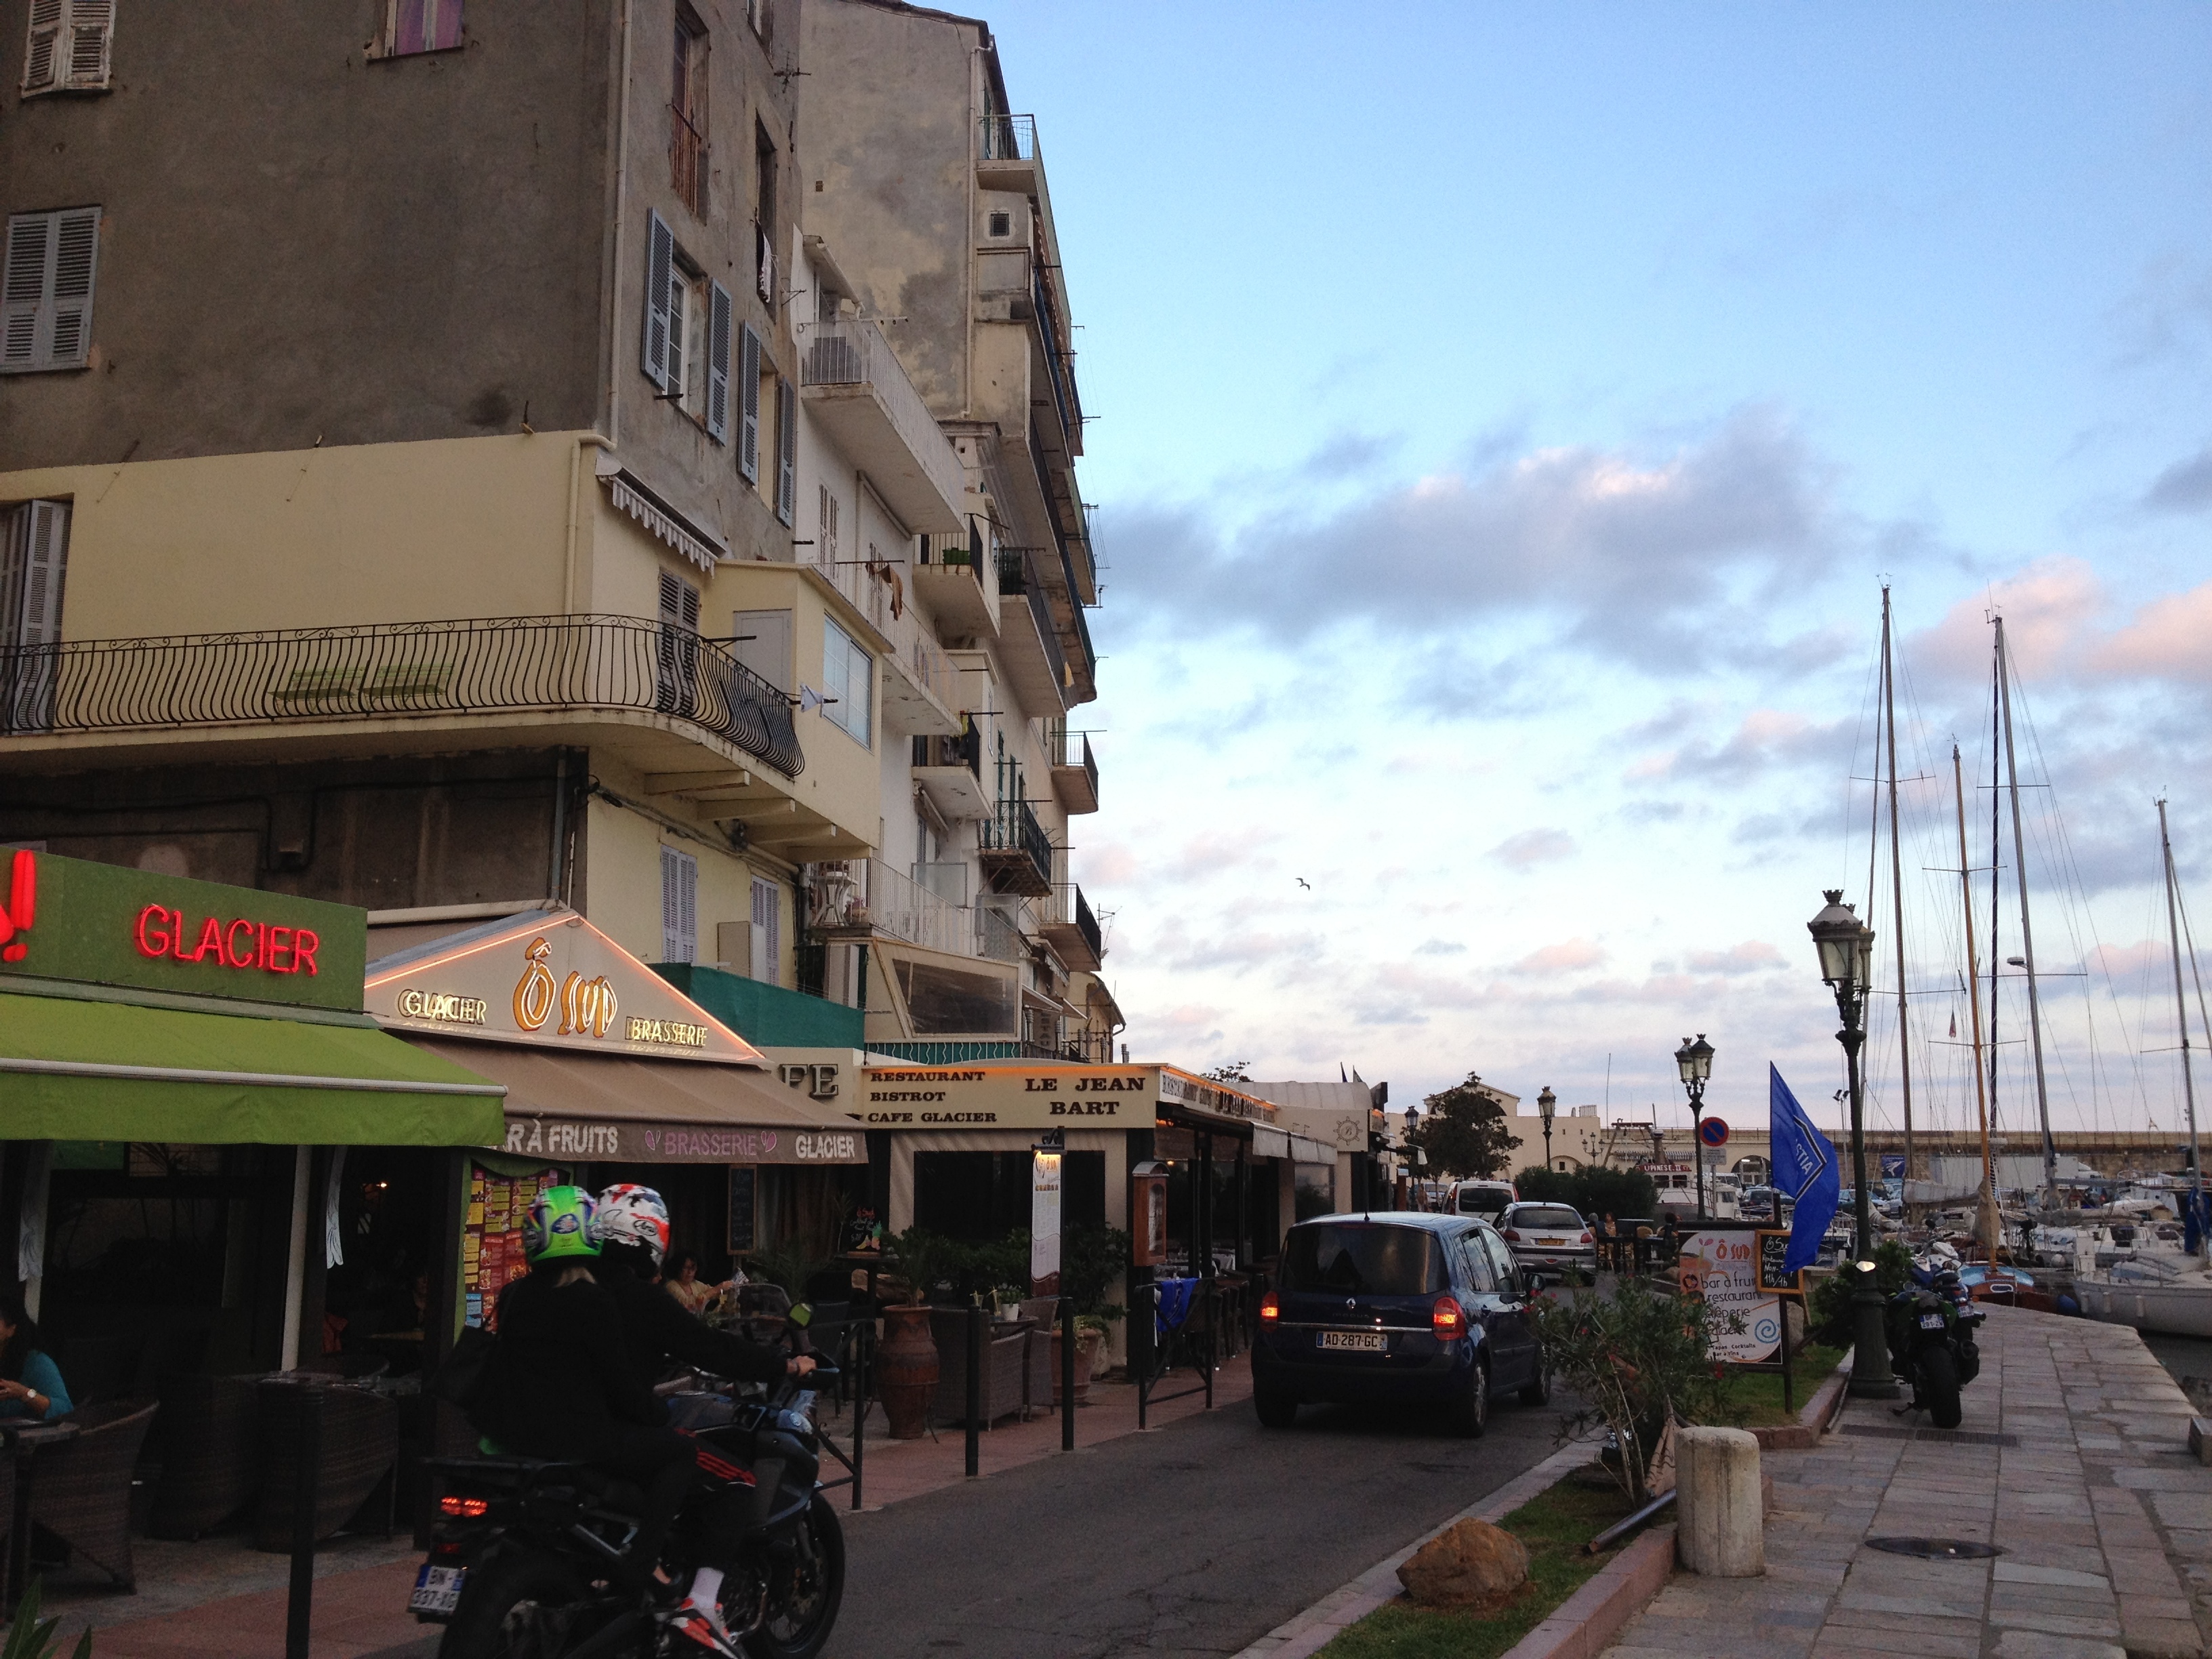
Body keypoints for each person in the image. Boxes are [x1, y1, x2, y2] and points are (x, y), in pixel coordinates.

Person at [472, 1188, 720, 1650]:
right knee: (681, 1451)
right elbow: (621, 1386)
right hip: (578, 1441)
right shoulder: (593, 1301)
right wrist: (655, 1409)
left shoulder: (514, 1296)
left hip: (512, 1437)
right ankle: (643, 1562)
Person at [591, 1185, 813, 1658]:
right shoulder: (642, 1300)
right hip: (616, 1436)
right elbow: (712, 1349)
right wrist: (787, 1366)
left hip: (562, 1436)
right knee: (736, 1480)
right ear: (653, 1242)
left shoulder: (575, 1291)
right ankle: (703, 1602)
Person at [0, 1294, 70, 1422]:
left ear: (11, 1330)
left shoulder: (37, 1362)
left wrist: (24, 1393)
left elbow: (64, 1409)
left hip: (25, 1438)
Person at [663, 1251, 722, 1316]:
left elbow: (713, 1291)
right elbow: (688, 1304)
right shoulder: (671, 1286)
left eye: (693, 1269)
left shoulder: (695, 1283)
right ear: (678, 1269)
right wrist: (716, 1290)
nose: (690, 1272)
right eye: (685, 1268)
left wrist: (725, 1290)